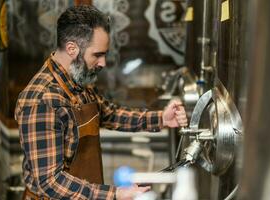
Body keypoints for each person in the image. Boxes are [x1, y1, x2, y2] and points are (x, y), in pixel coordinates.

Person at [15, 5, 187, 200]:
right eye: (97, 55)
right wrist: (115, 194)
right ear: (72, 48)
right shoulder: (41, 100)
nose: (103, 63)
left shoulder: (77, 81)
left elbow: (108, 113)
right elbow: (50, 182)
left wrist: (161, 118)